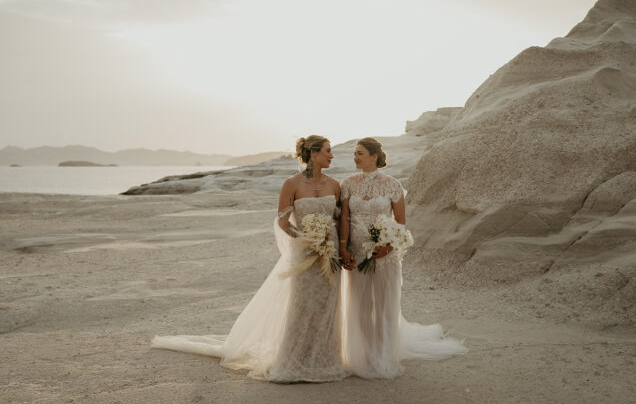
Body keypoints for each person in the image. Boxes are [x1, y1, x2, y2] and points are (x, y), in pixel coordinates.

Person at [151, 135, 347, 382]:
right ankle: (295, 361)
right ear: (314, 153)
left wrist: (332, 243)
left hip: (330, 255)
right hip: (304, 254)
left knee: (327, 307)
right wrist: (308, 240)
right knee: (301, 306)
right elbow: (283, 221)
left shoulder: (334, 184)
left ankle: (325, 359)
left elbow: (339, 219)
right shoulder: (291, 183)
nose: (332, 155)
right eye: (328, 151)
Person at [339, 137, 467, 379]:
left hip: (385, 255)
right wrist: (345, 249)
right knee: (360, 305)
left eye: (359, 153)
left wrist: (388, 246)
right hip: (357, 252)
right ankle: (363, 356)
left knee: (385, 304)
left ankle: (383, 355)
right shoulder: (347, 185)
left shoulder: (392, 185)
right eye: (354, 153)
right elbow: (344, 219)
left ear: (374, 156)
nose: (355, 157)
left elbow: (400, 223)